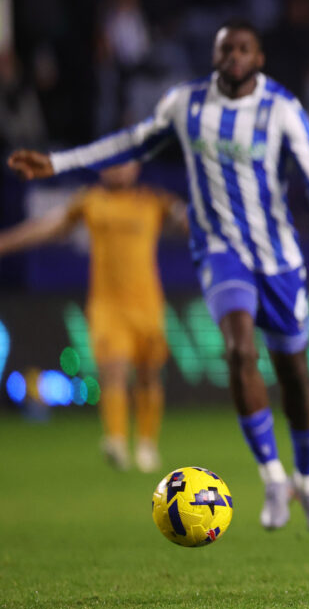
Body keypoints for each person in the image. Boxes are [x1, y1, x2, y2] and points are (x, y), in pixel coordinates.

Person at [7, 19, 309, 546]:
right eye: (226, 48)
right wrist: (57, 162)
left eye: (244, 48)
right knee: (238, 350)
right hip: (219, 254)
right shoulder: (185, 106)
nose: (234, 56)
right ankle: (272, 478)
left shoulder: (281, 109)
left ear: (259, 58)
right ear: (214, 55)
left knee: (294, 375)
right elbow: (130, 142)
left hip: (277, 257)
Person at [0, 161, 186, 472]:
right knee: (113, 368)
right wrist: (5, 242)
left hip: (147, 304)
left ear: (136, 168)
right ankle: (115, 441)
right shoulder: (90, 201)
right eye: (110, 164)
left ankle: (146, 443)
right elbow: (48, 227)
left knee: (148, 375)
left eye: (123, 163)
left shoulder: (154, 202)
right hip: (107, 305)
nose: (116, 170)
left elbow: (190, 223)